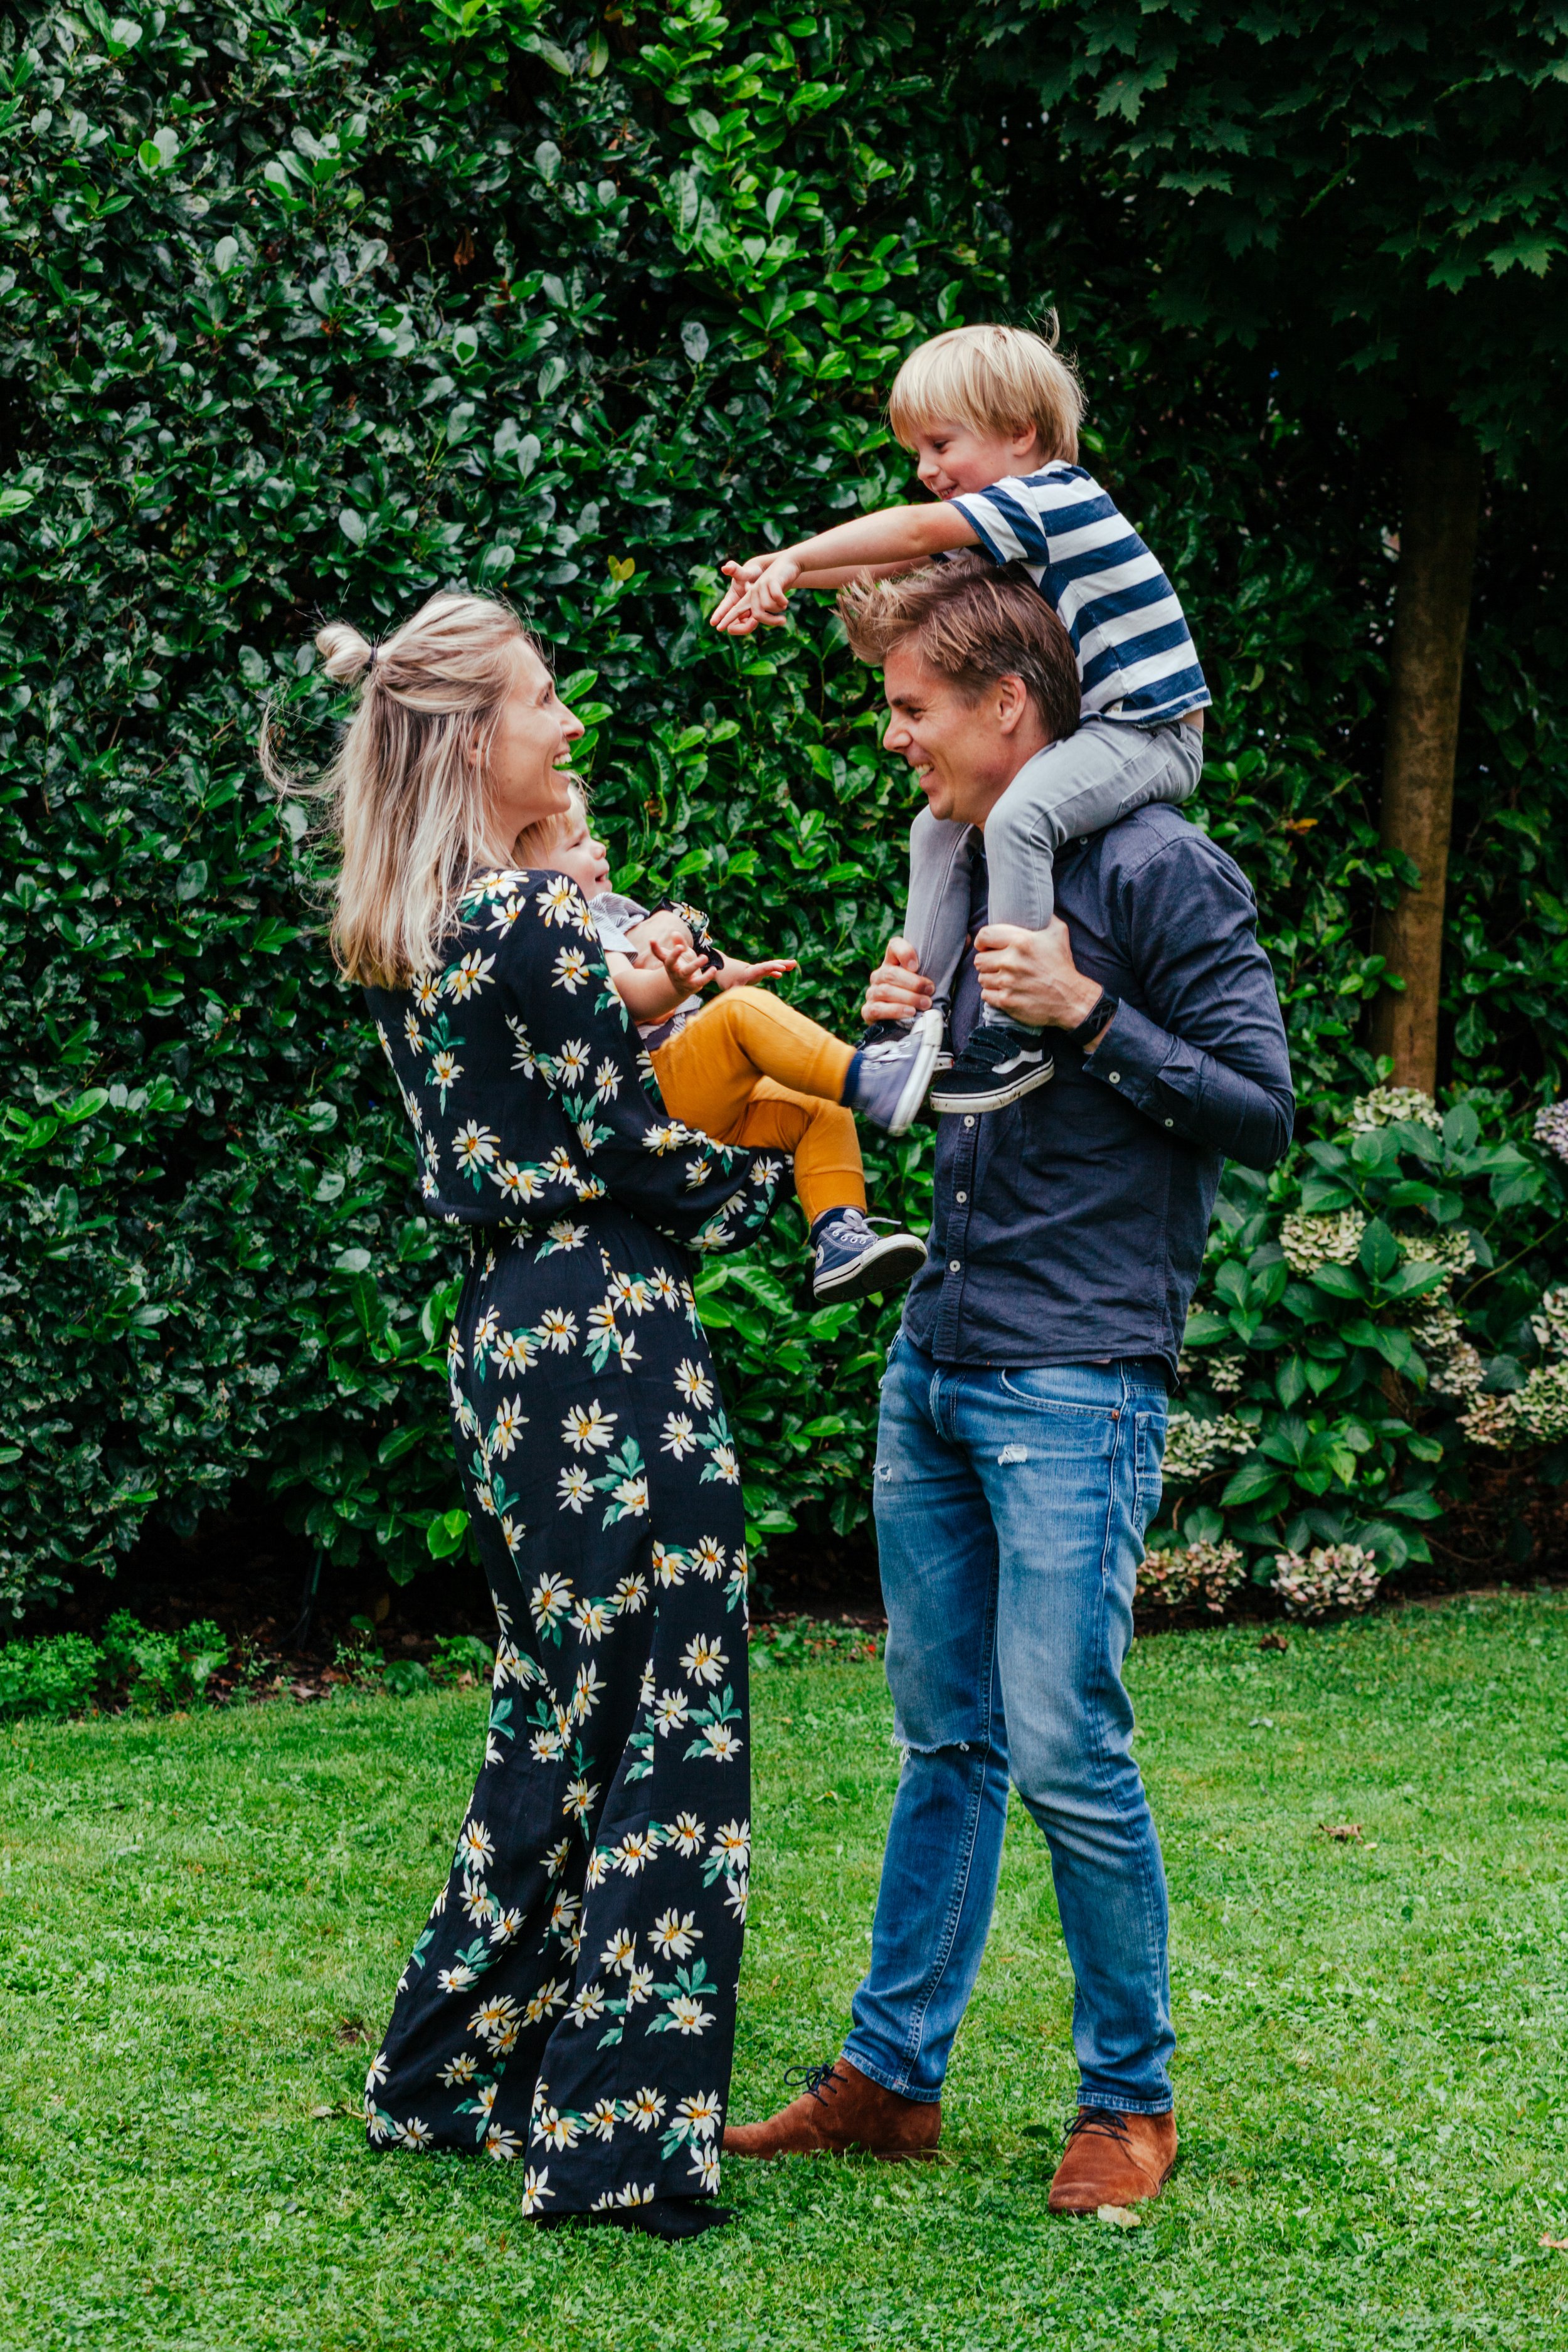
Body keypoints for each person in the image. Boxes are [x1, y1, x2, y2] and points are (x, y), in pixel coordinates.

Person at [721, 561, 1294, 2215]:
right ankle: (892, 2078)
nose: (895, 740)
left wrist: (1091, 1010)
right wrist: (897, 1028)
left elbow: (1260, 1111)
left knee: (1061, 1738)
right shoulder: (964, 864)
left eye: (912, 709)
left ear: (1009, 708)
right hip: (940, 1356)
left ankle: (1128, 2100)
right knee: (943, 1737)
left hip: (1074, 1371)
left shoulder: (1160, 867)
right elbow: (931, 1097)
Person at [265, 591, 787, 2240]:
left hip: (509, 1334)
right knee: (666, 1720)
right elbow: (646, 1153)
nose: (566, 724)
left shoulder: (433, 923)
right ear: (470, 737)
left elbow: (560, 1103)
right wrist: (795, 1147)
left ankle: (442, 2072)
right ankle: (617, 2142)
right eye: (542, 700)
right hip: (606, 1337)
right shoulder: (540, 926)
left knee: (557, 1716)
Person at [709, 322, 1209, 1119]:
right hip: (1102, 731)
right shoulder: (1017, 524)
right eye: (916, 451)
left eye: (940, 445)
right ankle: (918, 1027)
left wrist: (794, 554)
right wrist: (779, 580)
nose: (925, 470)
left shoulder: (1060, 499)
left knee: (1018, 817)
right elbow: (891, 560)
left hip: (1151, 734)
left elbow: (909, 531)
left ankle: (1010, 1031)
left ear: (1022, 434)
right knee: (933, 831)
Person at [535, 784, 938, 1304]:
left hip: (705, 1105)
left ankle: (840, 1234)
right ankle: (875, 1080)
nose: (599, 849)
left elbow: (694, 960)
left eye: (592, 836)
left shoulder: (611, 911)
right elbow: (634, 993)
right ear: (536, 874)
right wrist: (676, 986)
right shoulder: (573, 925)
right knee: (739, 1018)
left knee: (819, 1102)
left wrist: (729, 970)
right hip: (654, 1096)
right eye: (577, 844)